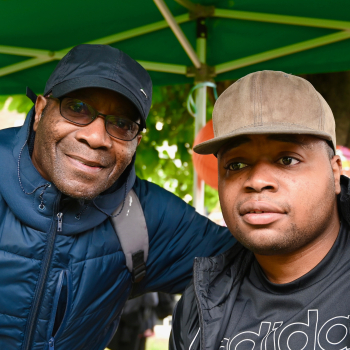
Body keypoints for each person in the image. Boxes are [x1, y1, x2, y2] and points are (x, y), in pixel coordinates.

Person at [0, 44, 236, 350]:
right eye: (77, 108)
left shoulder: (146, 216)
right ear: (40, 110)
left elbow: (258, 260)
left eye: (121, 124)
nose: (97, 137)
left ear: (136, 141)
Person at [170, 70, 350, 350]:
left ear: (335, 172)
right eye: (236, 165)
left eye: (288, 159)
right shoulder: (198, 302)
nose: (256, 181)